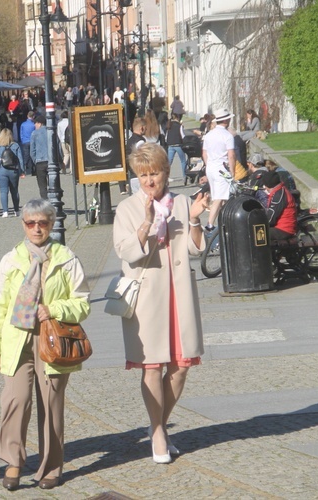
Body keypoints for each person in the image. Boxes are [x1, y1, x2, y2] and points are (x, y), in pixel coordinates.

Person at [0, 198, 90, 491]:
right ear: (23, 225)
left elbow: (82, 303)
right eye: (31, 223)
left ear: (52, 224)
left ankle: (52, 466)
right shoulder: (11, 260)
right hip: (17, 339)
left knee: (51, 404)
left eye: (43, 222)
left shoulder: (66, 257)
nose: (37, 228)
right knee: (15, 400)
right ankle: (14, 461)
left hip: (52, 340)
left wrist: (53, 309)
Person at [113, 143, 207, 465]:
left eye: (154, 173)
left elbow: (195, 250)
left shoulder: (181, 202)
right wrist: (147, 224)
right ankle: (157, 434)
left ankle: (160, 426)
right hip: (147, 299)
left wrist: (194, 219)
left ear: (166, 173)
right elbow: (125, 252)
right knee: (152, 368)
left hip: (178, 295)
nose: (149, 180)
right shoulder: (127, 208)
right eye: (143, 175)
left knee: (180, 368)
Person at [201, 108, 236, 232]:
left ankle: (222, 222)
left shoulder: (209, 135)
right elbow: (231, 155)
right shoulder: (227, 136)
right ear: (226, 120)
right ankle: (210, 225)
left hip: (211, 168)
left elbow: (204, 154)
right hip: (222, 168)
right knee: (220, 198)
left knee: (218, 195)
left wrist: (209, 165)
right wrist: (232, 171)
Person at [0, 128, 24, 218]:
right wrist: (22, 171)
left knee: (3, 191)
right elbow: (20, 159)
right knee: (15, 191)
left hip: (1, 170)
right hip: (14, 170)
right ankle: (16, 210)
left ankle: (5, 211)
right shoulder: (15, 145)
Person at [261, 170, 297, 241]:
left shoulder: (278, 195)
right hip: (282, 227)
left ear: (269, 185)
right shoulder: (280, 190)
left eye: (265, 185)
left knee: (256, 233)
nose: (264, 187)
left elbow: (271, 219)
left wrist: (259, 223)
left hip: (283, 229)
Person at [120, 117, 146, 195]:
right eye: (146, 128)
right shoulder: (140, 141)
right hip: (141, 175)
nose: (146, 130)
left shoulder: (130, 141)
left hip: (132, 175)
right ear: (141, 128)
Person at [30, 115, 51, 199]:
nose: (35, 125)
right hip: (51, 161)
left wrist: (35, 161)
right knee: (53, 184)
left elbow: (32, 150)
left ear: (40, 123)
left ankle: (45, 202)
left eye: (36, 123)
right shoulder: (51, 131)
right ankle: (54, 202)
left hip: (39, 162)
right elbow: (58, 146)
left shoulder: (34, 133)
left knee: (42, 186)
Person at [165, 113, 188, 180]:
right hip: (178, 145)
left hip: (170, 145)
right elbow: (183, 135)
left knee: (169, 161)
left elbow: (166, 137)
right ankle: (184, 176)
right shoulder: (179, 126)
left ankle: (166, 176)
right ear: (178, 118)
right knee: (183, 160)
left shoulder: (169, 125)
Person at [19, 111, 36, 177]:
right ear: (33, 116)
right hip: (32, 141)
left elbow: (21, 133)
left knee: (26, 155)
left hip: (25, 141)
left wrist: (22, 140)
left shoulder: (23, 124)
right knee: (33, 155)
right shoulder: (33, 124)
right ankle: (33, 170)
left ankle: (24, 169)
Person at [56, 110, 70, 174]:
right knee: (71, 155)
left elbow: (58, 133)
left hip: (62, 140)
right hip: (70, 140)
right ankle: (72, 169)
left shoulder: (59, 123)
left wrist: (61, 139)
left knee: (66, 155)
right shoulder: (70, 122)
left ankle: (63, 169)